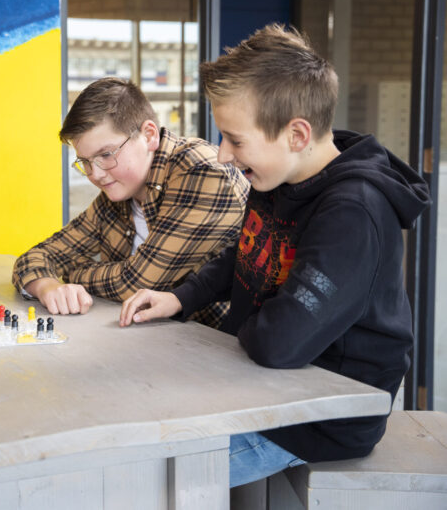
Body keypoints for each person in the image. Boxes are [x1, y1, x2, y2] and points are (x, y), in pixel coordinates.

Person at [119, 24, 430, 487]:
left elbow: (279, 343)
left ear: (297, 134)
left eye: (235, 140)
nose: (223, 155)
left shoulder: (353, 213)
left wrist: (242, 329)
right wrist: (181, 298)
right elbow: (246, 252)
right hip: (261, 391)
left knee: (140, 478)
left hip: (315, 423)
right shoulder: (280, 175)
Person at [12, 77, 249, 327]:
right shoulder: (119, 192)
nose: (96, 174)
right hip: (155, 344)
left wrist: (70, 274)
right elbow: (36, 256)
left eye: (106, 154)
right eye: (86, 162)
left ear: (149, 135)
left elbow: (137, 283)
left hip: (222, 351)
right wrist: (48, 286)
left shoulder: (202, 171)